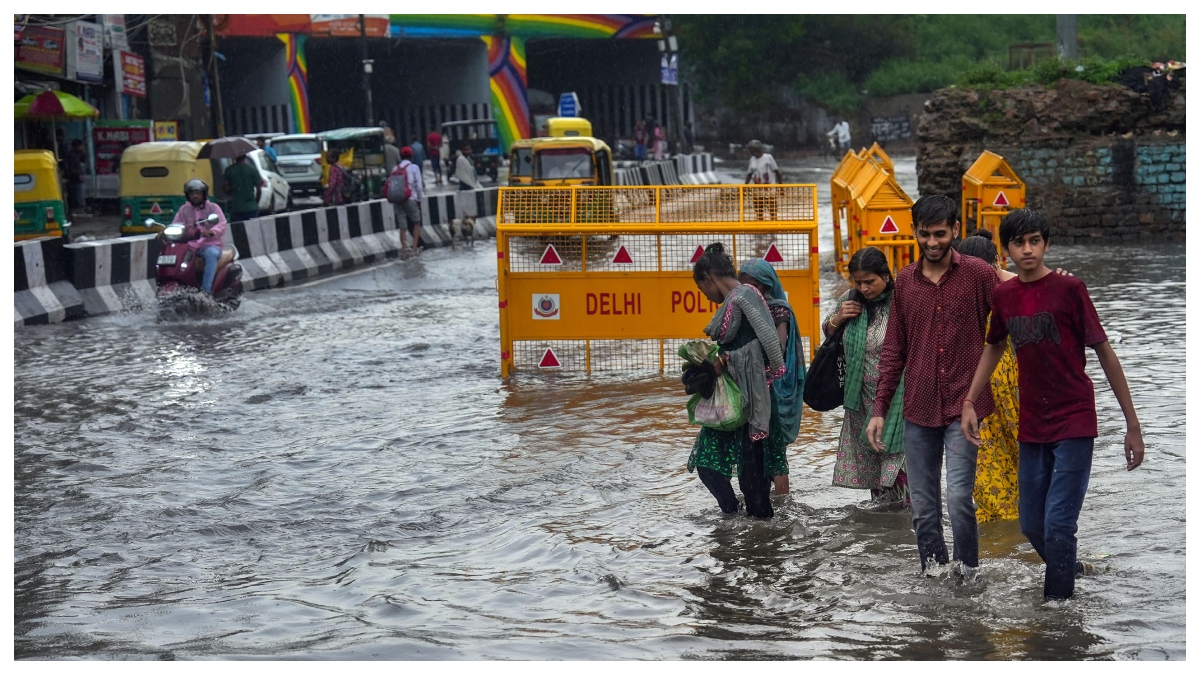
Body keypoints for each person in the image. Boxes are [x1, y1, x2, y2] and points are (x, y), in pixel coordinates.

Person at [962, 209, 1145, 600]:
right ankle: (1072, 569)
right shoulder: (1004, 296)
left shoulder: (1070, 289)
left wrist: (1132, 424)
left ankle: (1058, 616)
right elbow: (993, 347)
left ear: (1046, 244)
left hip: (1075, 418)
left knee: (1059, 523)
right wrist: (970, 401)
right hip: (1033, 424)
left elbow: (1105, 353)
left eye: (1034, 241)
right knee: (1031, 524)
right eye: (1018, 243)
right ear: (1006, 250)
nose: (1027, 250)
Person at [865, 195, 999, 577]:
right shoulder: (906, 281)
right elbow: (894, 351)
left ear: (955, 230)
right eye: (924, 235)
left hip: (964, 407)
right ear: (914, 232)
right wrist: (879, 410)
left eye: (940, 234)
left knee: (959, 499)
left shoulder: (977, 274)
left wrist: (1043, 279)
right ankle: (934, 578)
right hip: (919, 409)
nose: (933, 242)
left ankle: (968, 577)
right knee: (923, 509)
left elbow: (1010, 313)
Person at [687, 243, 786, 518]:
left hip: (753, 402)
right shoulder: (735, 300)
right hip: (731, 400)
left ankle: (760, 545)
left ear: (708, 277)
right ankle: (732, 517)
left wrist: (726, 361)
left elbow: (770, 348)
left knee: (753, 482)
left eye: (701, 289)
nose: (706, 297)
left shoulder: (746, 296)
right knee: (708, 466)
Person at [825, 247, 908, 504]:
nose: (864, 288)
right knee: (875, 468)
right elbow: (828, 333)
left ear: (885, 275)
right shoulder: (850, 301)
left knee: (899, 462)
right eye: (858, 282)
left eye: (869, 281)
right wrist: (839, 318)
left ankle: (909, 524)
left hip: (897, 399)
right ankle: (883, 530)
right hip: (861, 400)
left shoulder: (901, 302)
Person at [957, 230, 1021, 523]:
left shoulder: (959, 290)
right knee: (1013, 449)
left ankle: (995, 531)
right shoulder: (1008, 288)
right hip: (1002, 379)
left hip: (975, 385)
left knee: (984, 456)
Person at [738, 258, 805, 495]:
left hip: (773, 389)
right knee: (753, 448)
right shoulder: (742, 308)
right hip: (751, 389)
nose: (746, 291)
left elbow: (778, 347)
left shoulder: (778, 310)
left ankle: (782, 506)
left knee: (775, 451)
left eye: (751, 285)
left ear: (765, 285)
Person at [170, 179, 227, 295]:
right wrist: (166, 230)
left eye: (198, 193)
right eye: (192, 193)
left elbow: (222, 223)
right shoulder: (184, 209)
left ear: (203, 194)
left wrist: (212, 231)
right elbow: (176, 223)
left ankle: (205, 291)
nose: (195, 196)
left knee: (211, 254)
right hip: (190, 245)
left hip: (210, 244)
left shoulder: (213, 208)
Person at [392, 146, 425, 258]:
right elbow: (419, 187)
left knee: (403, 226)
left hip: (397, 199)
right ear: (412, 156)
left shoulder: (395, 168)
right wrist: (420, 200)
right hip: (410, 198)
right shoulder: (414, 167)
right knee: (416, 223)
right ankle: (414, 248)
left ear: (400, 156)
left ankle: (404, 251)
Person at [745, 140, 783, 221]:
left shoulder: (768, 158)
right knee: (759, 214)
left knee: (772, 213)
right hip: (757, 192)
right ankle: (761, 231)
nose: (751, 152)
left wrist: (781, 187)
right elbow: (749, 174)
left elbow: (777, 172)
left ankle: (773, 230)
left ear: (757, 149)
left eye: (752, 150)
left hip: (770, 190)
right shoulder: (752, 160)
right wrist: (744, 188)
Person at [222, 152, 263, 222]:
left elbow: (225, 189)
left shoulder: (229, 170)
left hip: (236, 208)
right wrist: (255, 202)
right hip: (251, 208)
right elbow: (259, 189)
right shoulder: (252, 169)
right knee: (252, 230)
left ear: (235, 157)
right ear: (245, 156)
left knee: (238, 231)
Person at [65, 139, 86, 217]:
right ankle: (77, 209)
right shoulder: (72, 155)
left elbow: (83, 160)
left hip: (76, 178)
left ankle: (79, 209)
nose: (82, 147)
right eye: (81, 146)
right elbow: (73, 168)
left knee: (79, 194)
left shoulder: (78, 154)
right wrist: (78, 175)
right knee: (77, 194)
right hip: (74, 178)